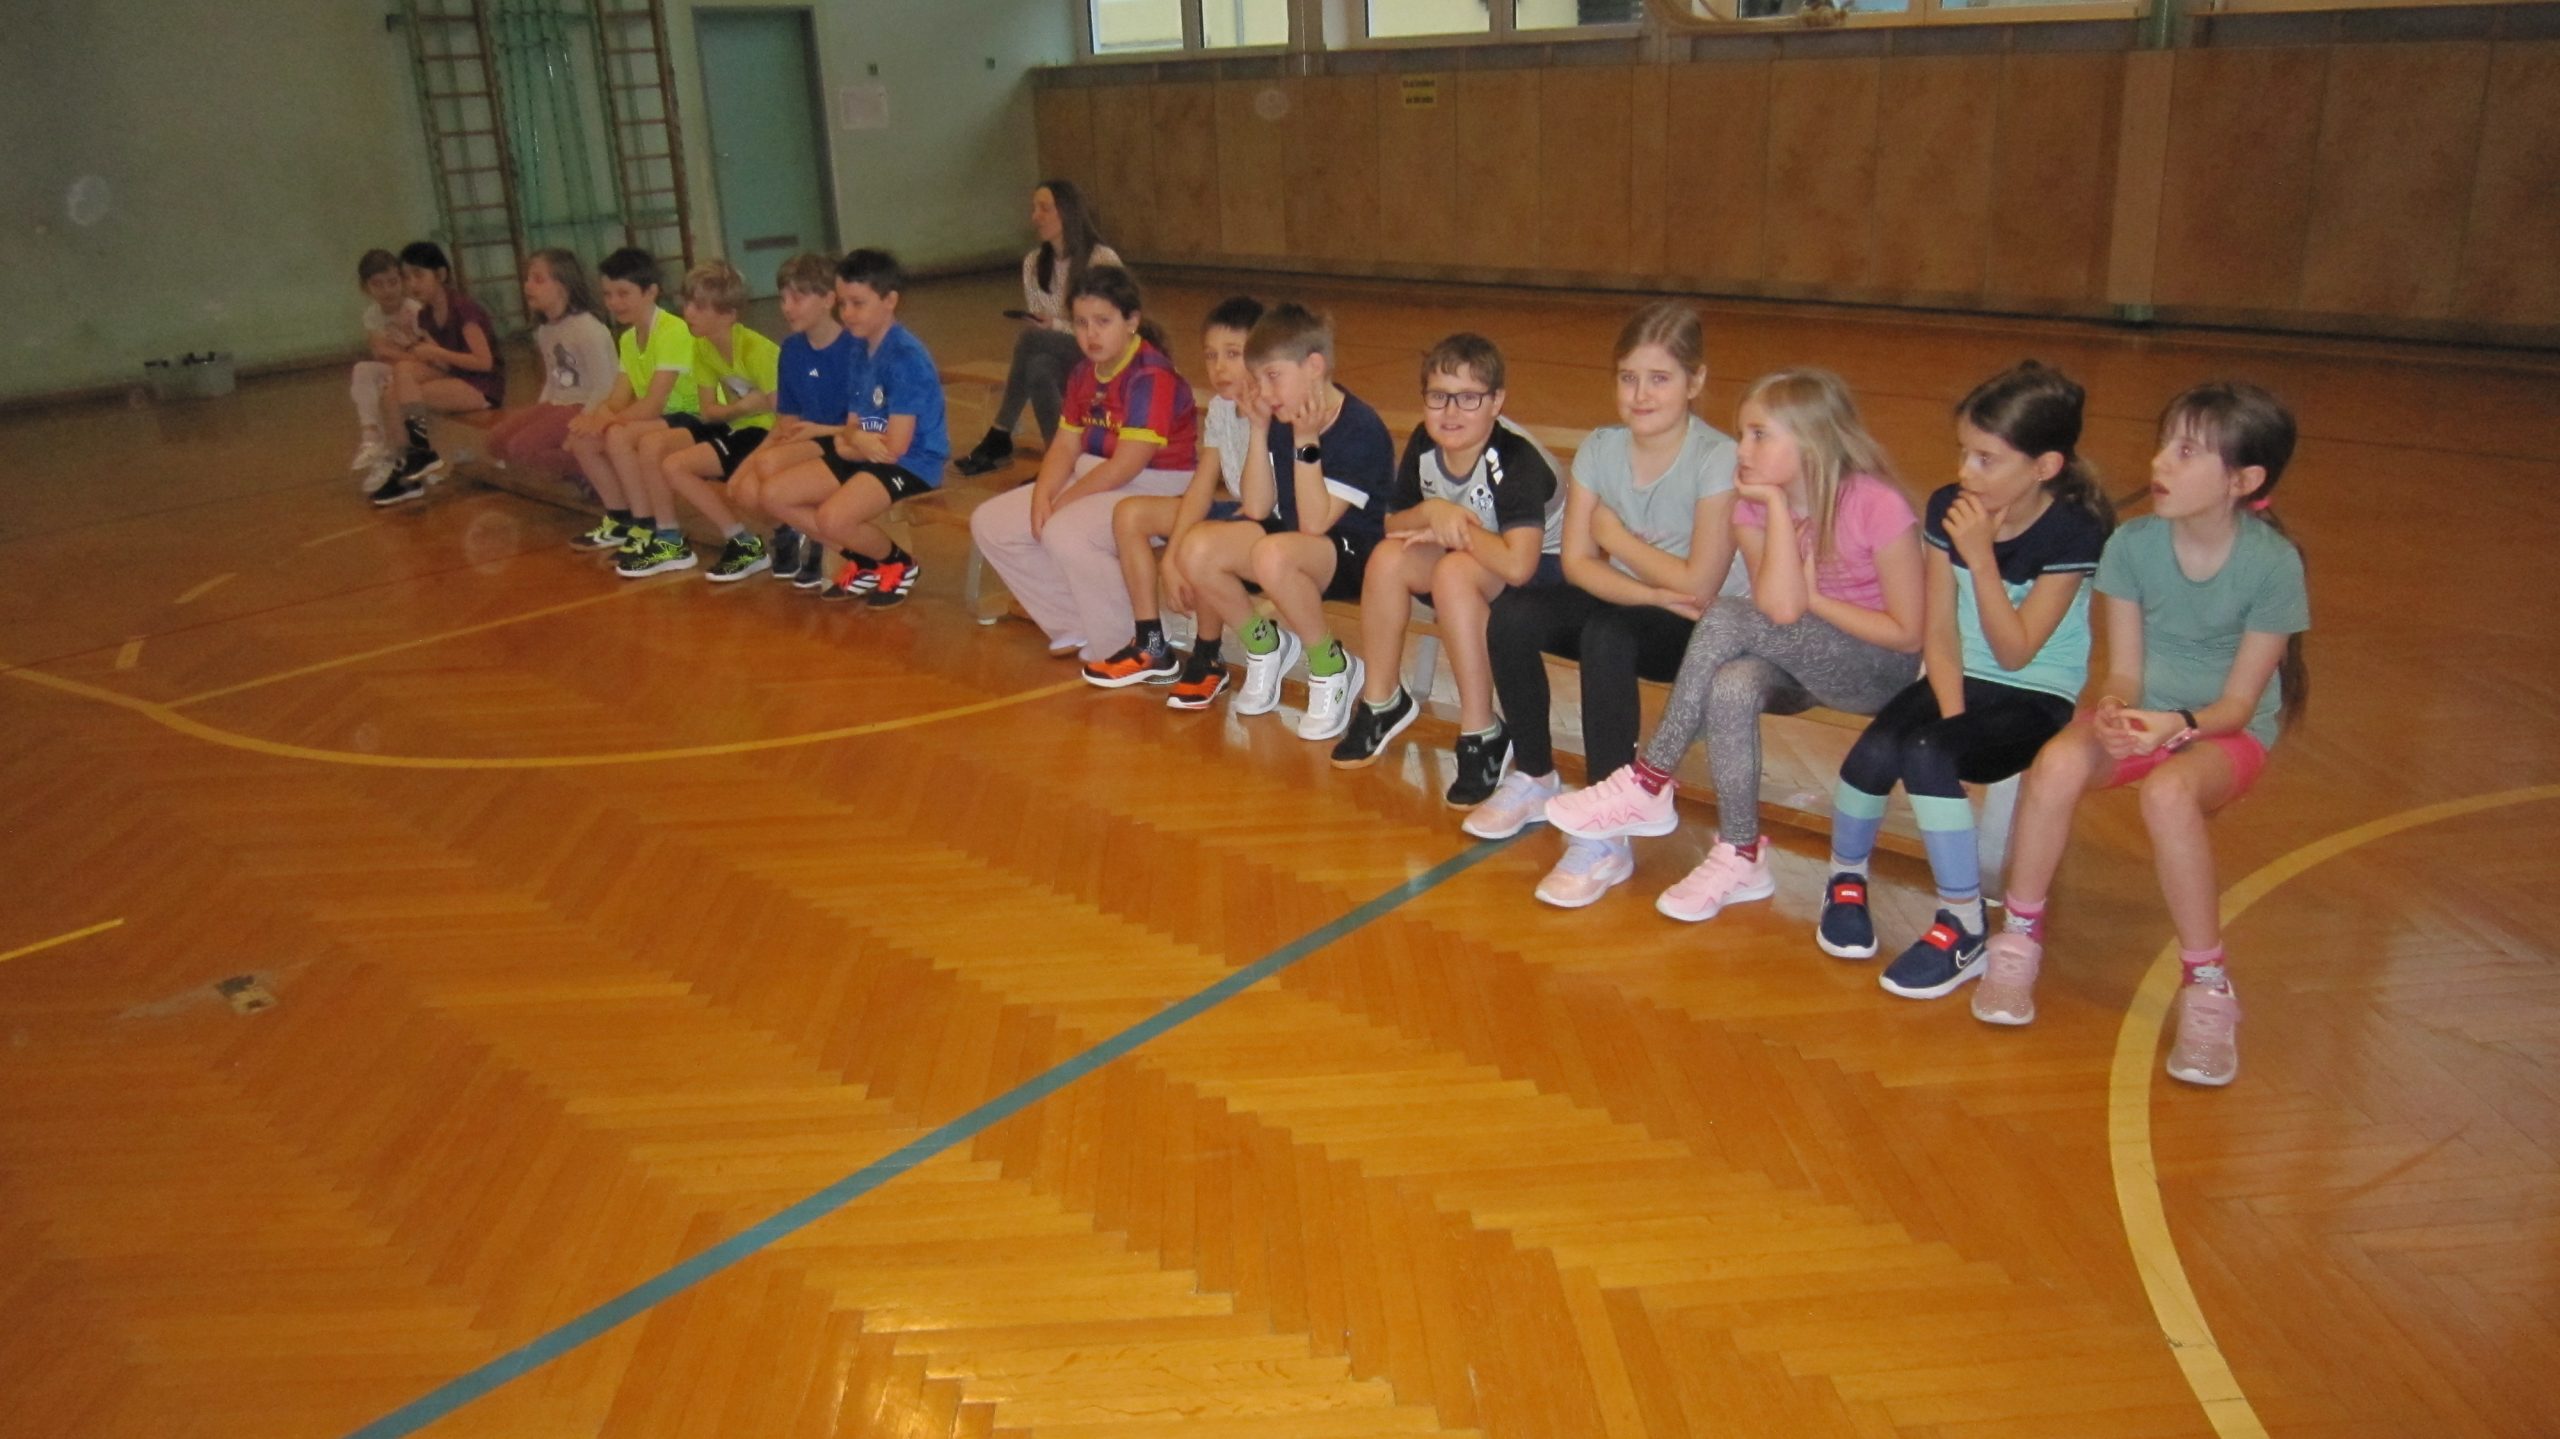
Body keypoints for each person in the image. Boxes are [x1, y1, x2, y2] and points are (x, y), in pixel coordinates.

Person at [1974, 382, 2310, 1088]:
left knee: (2167, 793)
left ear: (2243, 481)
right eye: (2165, 444)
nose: (2160, 461)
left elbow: (2239, 704)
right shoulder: (2131, 544)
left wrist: (2175, 727)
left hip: (2223, 732)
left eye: (2187, 452)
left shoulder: (2273, 566)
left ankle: (2207, 984)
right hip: (2149, 716)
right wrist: (2118, 709)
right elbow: (2123, 669)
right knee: (2056, 763)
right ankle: (2019, 938)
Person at [1544, 368, 1925, 914]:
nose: (1741, 449)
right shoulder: (1752, 506)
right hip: (1796, 659)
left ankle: (1649, 781)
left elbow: (1906, 633)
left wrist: (1816, 601)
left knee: (1725, 614)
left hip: (1875, 669)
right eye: (1742, 433)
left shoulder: (1874, 504)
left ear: (1811, 440)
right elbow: (1778, 607)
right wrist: (1776, 510)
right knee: (1732, 682)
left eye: (1759, 435)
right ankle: (1741, 854)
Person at [1820, 363, 2112, 997]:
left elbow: (2014, 652)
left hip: (2034, 695)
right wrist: (1953, 718)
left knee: (1927, 752)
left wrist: (1980, 559)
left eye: (1986, 459)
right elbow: (1941, 629)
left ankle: (1964, 924)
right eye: (1964, 453)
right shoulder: (1947, 507)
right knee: (1877, 750)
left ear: (2044, 467)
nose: (1966, 472)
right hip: (1961, 681)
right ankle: (1845, 880)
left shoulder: (2074, 531)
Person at [1461, 302, 1748, 904]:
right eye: (1628, 378)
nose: (1640, 394)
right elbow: (1577, 564)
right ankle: (1535, 774)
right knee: (1514, 614)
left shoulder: (1717, 458)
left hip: (1700, 625)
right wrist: (1652, 588)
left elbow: (1699, 584)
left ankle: (1607, 831)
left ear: (1696, 381)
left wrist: (1616, 539)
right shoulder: (1600, 447)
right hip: (1635, 598)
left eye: (1660, 378)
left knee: (1609, 636)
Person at [1329, 334, 1565, 810]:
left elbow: (1519, 566)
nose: (1451, 412)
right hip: (1473, 554)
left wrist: (1456, 529)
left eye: (1469, 398)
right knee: (1387, 559)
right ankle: (1382, 700)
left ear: (1496, 402)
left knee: (1454, 572)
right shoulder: (1425, 442)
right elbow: (1393, 524)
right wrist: (1432, 511)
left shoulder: (1515, 458)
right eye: (1438, 396)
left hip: (1541, 567)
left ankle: (1482, 731)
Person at [1164, 303, 1395, 733]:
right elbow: (1256, 507)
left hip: (1352, 556)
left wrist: (1306, 441)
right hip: (1293, 544)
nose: (1266, 391)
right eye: (1261, 379)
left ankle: (1331, 665)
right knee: (1197, 547)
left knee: (1272, 554)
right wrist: (1258, 429)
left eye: (1274, 376)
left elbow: (1315, 523)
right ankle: (1264, 644)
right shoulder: (1283, 417)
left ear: (1314, 367)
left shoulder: (1359, 427)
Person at [970, 266, 1197, 662]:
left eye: (1103, 322)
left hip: (1153, 486)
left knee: (1066, 531)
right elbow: (1065, 444)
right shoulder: (1083, 372)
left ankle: (1128, 640)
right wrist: (1043, 495)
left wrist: (1064, 501)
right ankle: (1074, 623)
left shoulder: (1151, 375)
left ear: (1131, 321)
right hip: (1094, 475)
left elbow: (1127, 465)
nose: (1091, 334)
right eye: (1081, 323)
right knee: (992, 524)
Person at [1079, 295, 1265, 696]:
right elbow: (1202, 484)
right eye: (1211, 355)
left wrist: (1184, 550)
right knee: (1130, 514)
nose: (1219, 367)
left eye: (1233, 354)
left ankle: (1208, 657)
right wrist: (1172, 557)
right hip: (1237, 512)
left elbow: (1260, 504)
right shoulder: (1221, 408)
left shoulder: (1273, 411)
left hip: (1271, 522)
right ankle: (1151, 644)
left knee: (1206, 538)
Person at [760, 248, 950, 608]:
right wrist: (855, 439)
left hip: (912, 464)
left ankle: (899, 563)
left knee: (832, 518)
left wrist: (855, 439)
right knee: (774, 495)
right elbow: (849, 435)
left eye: (858, 303)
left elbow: (894, 447)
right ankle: (867, 563)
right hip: (868, 453)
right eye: (843, 303)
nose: (847, 313)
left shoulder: (905, 358)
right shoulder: (858, 351)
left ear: (890, 300)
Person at [953, 180, 1123, 477]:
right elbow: (1042, 324)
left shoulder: (1101, 259)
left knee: (1032, 337)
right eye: (1034, 208)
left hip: (1101, 356)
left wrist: (1053, 325)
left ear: (1067, 211)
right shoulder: (1033, 263)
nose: (1035, 216)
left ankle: (1000, 432)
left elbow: (1112, 327)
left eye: (1044, 208)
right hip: (1061, 355)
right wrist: (1046, 325)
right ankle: (1059, 460)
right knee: (1039, 367)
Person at [637, 259, 783, 580]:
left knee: (677, 466)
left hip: (769, 433)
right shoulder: (703, 348)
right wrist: (744, 407)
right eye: (688, 303)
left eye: (700, 307)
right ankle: (684, 539)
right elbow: (708, 411)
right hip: (741, 426)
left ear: (728, 314)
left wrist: (741, 414)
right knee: (662, 454)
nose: (688, 312)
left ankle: (749, 542)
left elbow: (783, 416)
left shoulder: (757, 351)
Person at [726, 252, 858, 586]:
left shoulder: (854, 350)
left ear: (828, 299)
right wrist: (747, 465)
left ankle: (827, 543)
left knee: (769, 470)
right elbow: (786, 419)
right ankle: (794, 527)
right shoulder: (792, 349)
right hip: (804, 439)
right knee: (745, 490)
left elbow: (865, 427)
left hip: (844, 441)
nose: (787, 307)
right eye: (783, 298)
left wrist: (772, 454)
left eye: (797, 298)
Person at [562, 247, 699, 560]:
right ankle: (620, 519)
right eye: (608, 294)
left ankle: (646, 525)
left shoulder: (673, 331)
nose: (614, 302)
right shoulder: (627, 338)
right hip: (663, 418)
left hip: (693, 417)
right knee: (584, 440)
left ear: (651, 292)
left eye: (623, 293)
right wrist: (592, 419)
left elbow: (654, 403)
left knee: (617, 435)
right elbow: (618, 398)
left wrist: (606, 421)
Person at [371, 241, 506, 506]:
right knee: (394, 386)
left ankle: (417, 459)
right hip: (456, 376)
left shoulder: (464, 309)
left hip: (483, 385)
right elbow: (441, 365)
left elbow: (484, 362)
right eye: (407, 277)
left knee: (406, 395)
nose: (412, 284)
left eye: (419, 275)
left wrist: (435, 353)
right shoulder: (425, 315)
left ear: (441, 274)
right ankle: (408, 461)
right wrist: (414, 348)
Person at [480, 249, 616, 483]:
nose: (527, 286)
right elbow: (554, 382)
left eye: (538, 279)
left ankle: (594, 468)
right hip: (558, 404)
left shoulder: (587, 328)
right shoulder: (545, 330)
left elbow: (606, 385)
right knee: (496, 441)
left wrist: (583, 425)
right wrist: (539, 414)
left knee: (521, 447)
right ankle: (576, 467)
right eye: (528, 279)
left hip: (585, 406)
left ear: (563, 286)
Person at [348, 249, 423, 489]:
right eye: (378, 285)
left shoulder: (415, 310)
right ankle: (371, 437)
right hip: (393, 368)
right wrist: (398, 355)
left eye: (393, 282)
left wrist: (401, 356)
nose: (387, 290)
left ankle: (397, 456)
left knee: (388, 390)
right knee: (362, 370)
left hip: (417, 370)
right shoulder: (372, 315)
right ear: (365, 288)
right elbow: (380, 351)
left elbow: (425, 354)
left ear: (403, 280)